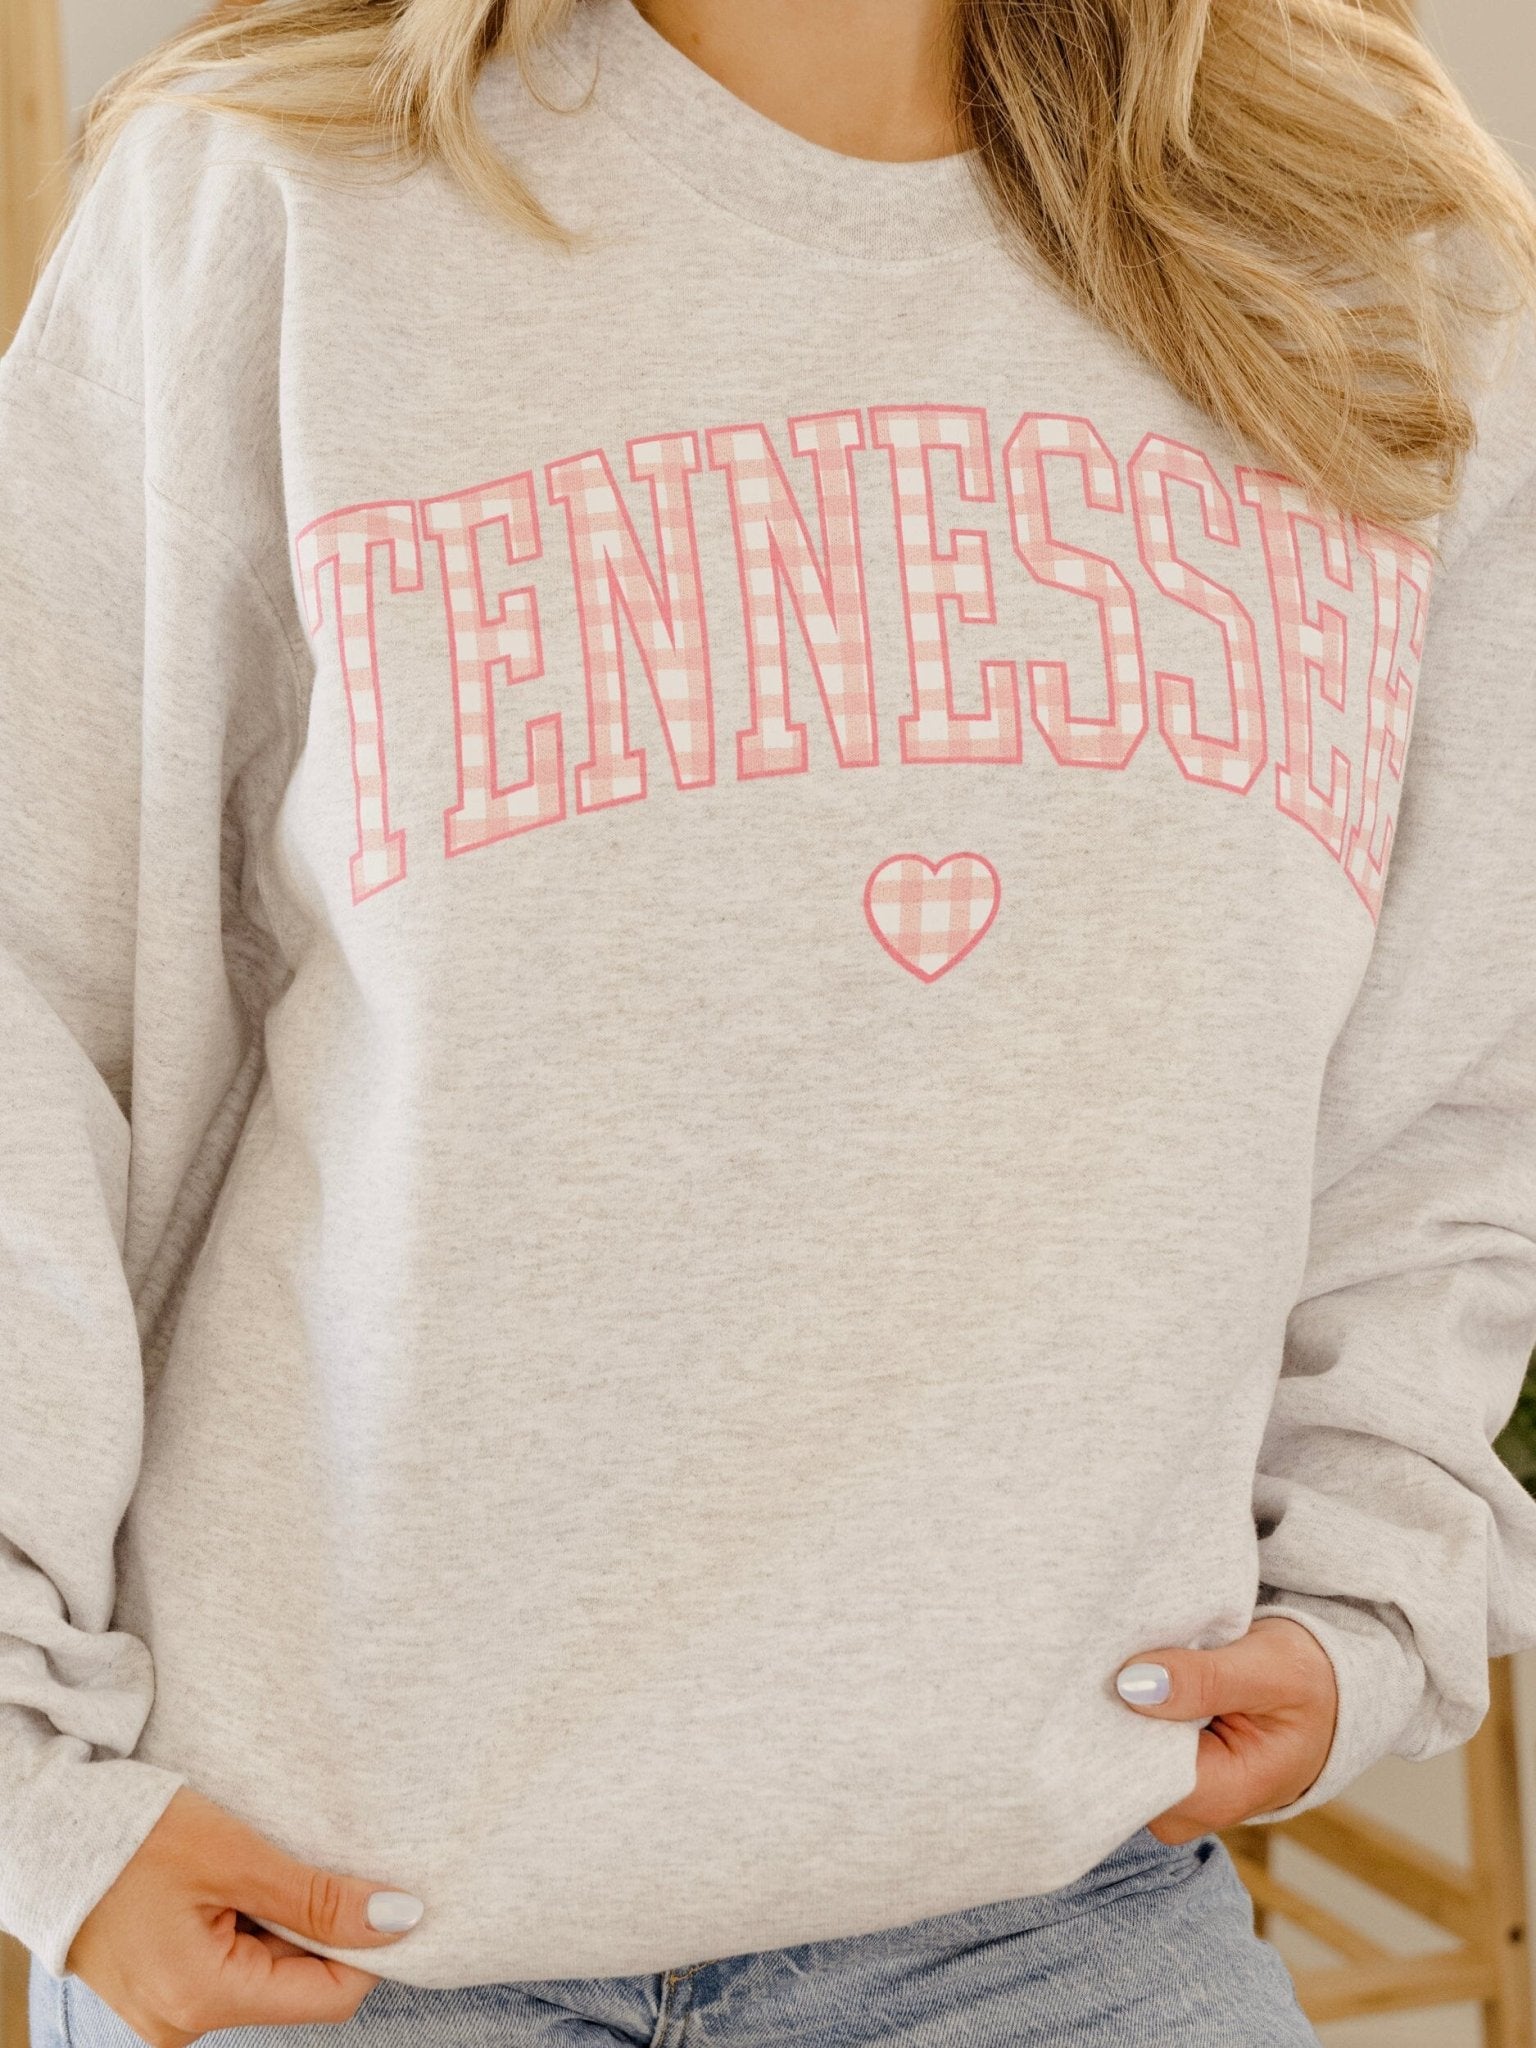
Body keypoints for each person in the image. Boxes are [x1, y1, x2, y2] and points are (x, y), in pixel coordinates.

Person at [4, 0, 1536, 2041]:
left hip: (1055, 1925)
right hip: (329, 1938)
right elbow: (32, 1008)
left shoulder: (1375, 263)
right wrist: (29, 1781)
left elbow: (1454, 1076)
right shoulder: (276, 201)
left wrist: (1381, 1580)